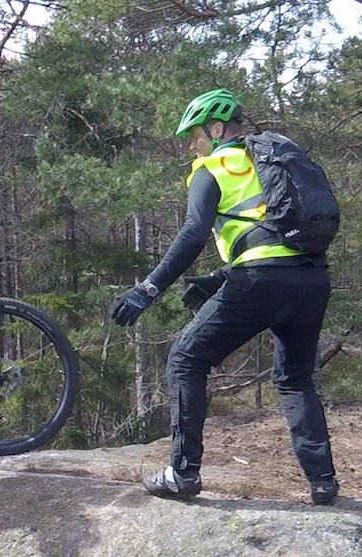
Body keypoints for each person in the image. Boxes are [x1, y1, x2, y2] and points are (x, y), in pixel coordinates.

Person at [110, 89, 338, 506]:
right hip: (311, 278)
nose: (191, 146)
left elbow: (193, 233)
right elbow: (271, 230)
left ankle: (182, 473)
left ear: (216, 129)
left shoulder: (212, 167)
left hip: (261, 280)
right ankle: (322, 481)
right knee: (295, 378)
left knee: (185, 359)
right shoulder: (272, 160)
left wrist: (148, 289)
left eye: (195, 136)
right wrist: (219, 277)